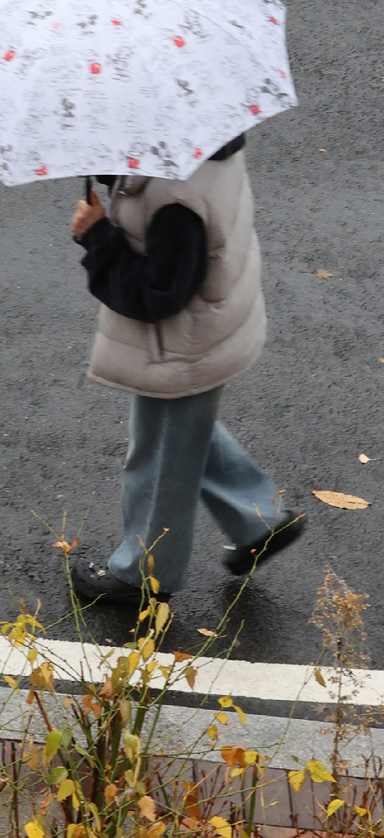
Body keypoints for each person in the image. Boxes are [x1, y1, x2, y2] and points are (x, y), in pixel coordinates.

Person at [69, 134, 305, 605]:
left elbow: (159, 294)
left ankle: (143, 575)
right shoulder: (201, 144)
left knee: (158, 455)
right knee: (181, 432)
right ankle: (257, 518)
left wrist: (98, 236)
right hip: (210, 325)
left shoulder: (174, 197)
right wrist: (119, 181)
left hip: (182, 342)